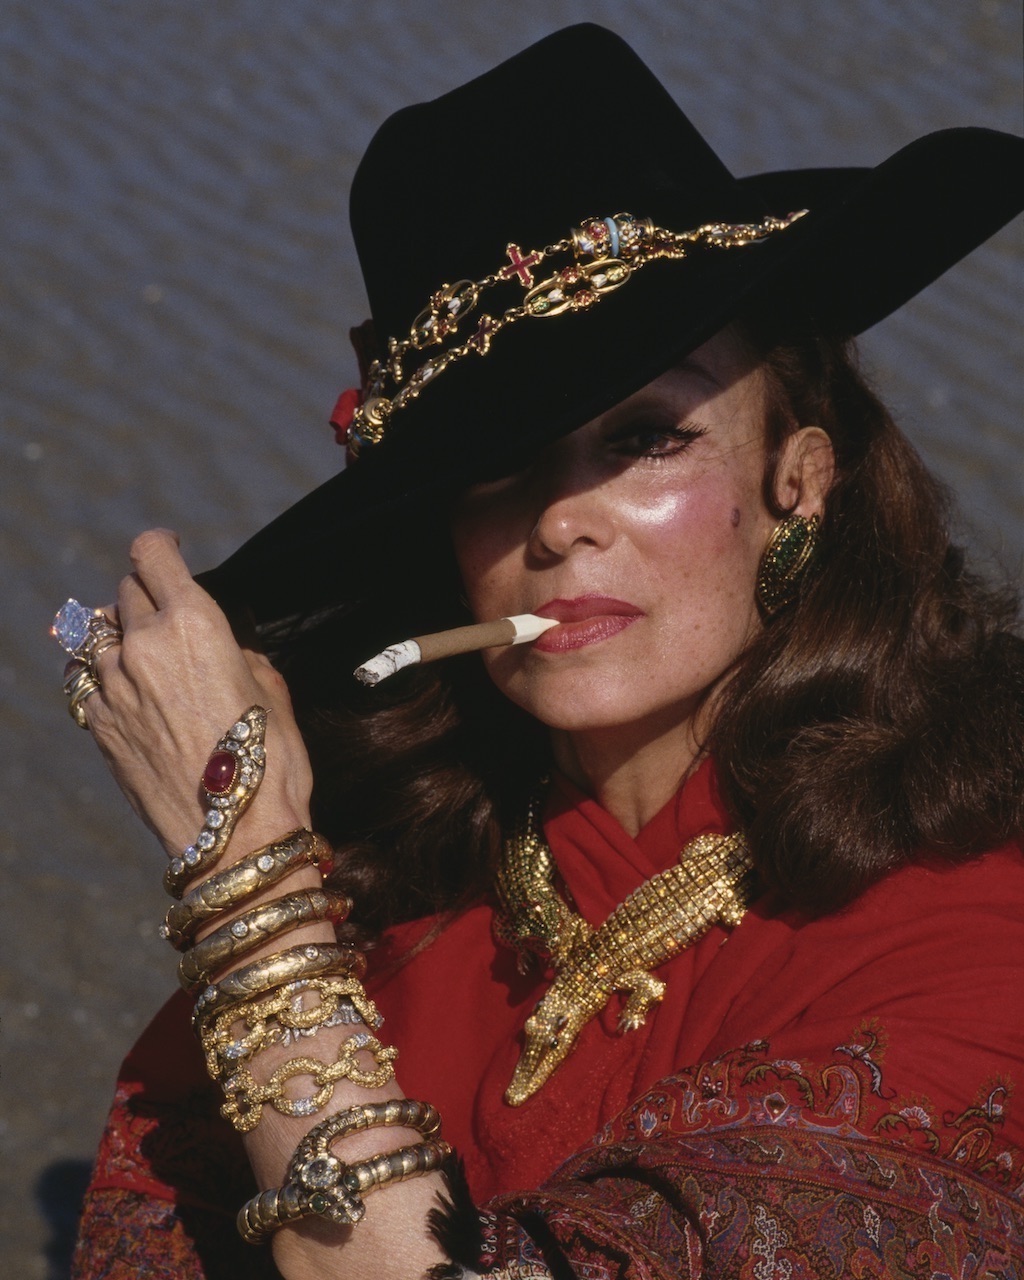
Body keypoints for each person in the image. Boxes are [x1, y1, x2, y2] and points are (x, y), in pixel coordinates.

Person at [65, 24, 1023, 1280]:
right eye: (495, 469)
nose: (558, 520)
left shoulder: (969, 916)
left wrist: (248, 892)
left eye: (643, 438)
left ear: (799, 476)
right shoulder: (395, 900)